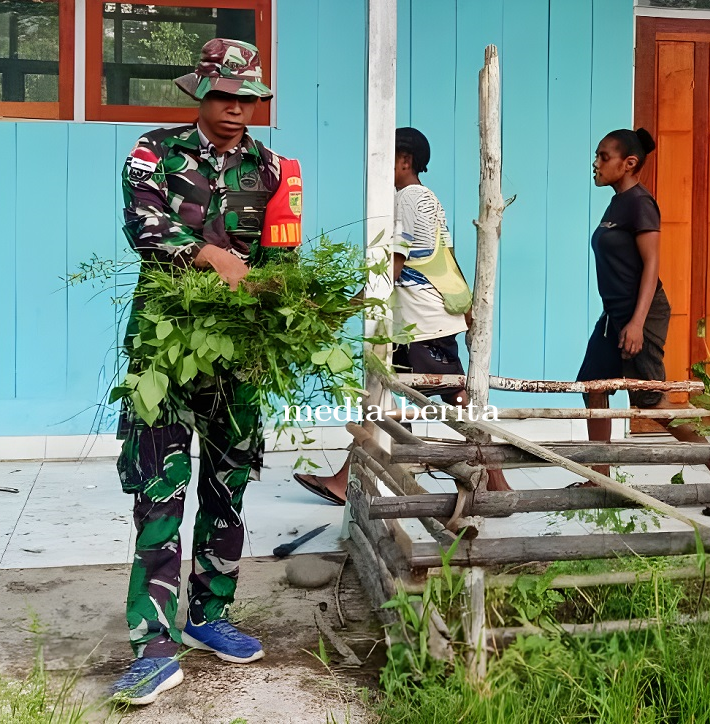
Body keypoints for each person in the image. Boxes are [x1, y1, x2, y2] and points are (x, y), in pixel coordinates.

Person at [110, 38, 288, 706]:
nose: (237, 109)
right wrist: (209, 255)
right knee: (159, 489)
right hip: (165, 346)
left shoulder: (271, 169)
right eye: (225, 96)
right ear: (201, 95)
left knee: (228, 484)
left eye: (249, 99)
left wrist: (286, 294)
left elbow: (280, 251)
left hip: (237, 351)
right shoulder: (154, 153)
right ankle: (152, 647)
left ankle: (209, 616)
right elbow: (145, 228)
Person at [293, 127, 511, 504]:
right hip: (416, 318)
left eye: (385, 159)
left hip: (423, 321)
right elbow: (444, 259)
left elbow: (391, 271)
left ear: (405, 161)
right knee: (384, 391)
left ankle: (496, 479)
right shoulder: (427, 199)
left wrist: (342, 308)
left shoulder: (409, 199)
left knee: (455, 394)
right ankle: (349, 480)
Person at [579, 128, 710, 491]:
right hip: (614, 315)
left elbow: (652, 267)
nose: (596, 163)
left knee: (651, 402)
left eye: (604, 157)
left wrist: (636, 323)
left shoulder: (640, 203)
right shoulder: (617, 201)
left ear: (629, 163)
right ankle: (599, 477)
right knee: (593, 386)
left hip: (641, 314)